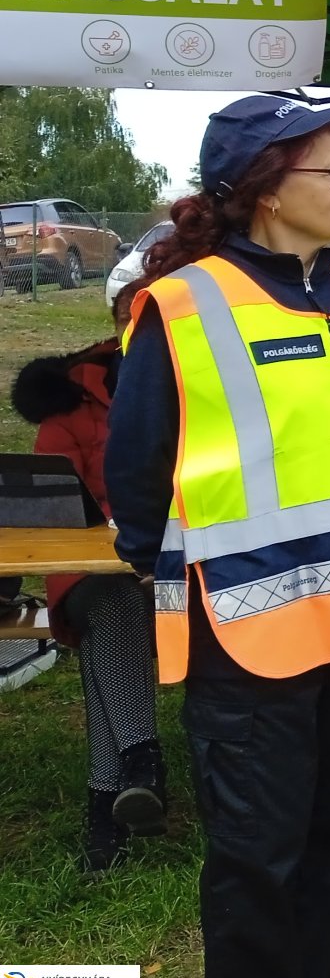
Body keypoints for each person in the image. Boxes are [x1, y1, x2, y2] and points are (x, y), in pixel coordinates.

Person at [105, 94, 330, 978]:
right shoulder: (184, 305)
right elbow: (136, 472)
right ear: (266, 193)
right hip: (249, 634)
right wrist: (163, 563)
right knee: (257, 858)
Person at [10, 284, 165, 873]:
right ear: (114, 322)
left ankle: (113, 795)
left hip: (173, 566)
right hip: (88, 571)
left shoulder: (196, 386)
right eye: (131, 317)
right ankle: (141, 762)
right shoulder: (71, 400)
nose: (139, 329)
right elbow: (49, 503)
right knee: (111, 603)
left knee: (110, 635)